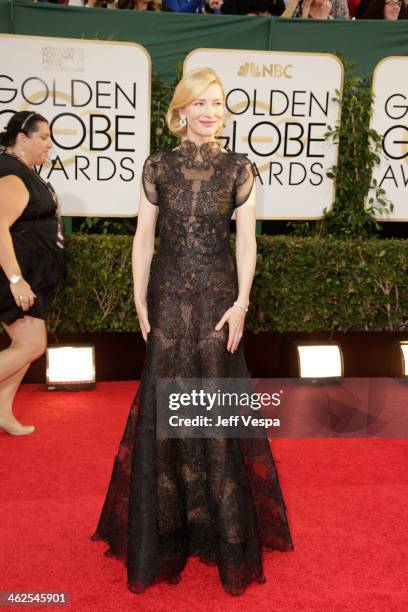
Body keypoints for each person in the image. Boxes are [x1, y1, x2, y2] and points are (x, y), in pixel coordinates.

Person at [92, 67, 293, 596]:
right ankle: (167, 529)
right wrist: (138, 296)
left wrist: (243, 301)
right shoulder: (158, 166)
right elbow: (143, 238)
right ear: (180, 110)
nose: (210, 111)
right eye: (200, 102)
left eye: (218, 102)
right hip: (167, 295)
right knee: (166, 403)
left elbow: (247, 241)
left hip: (218, 298)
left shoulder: (239, 168)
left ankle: (220, 530)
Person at [0, 112, 64, 436]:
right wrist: (15, 279)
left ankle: (3, 410)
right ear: (22, 139)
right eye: (44, 137)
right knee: (30, 345)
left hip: (31, 277)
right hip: (16, 278)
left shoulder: (23, 171)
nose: (49, 144)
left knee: (26, 346)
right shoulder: (12, 173)